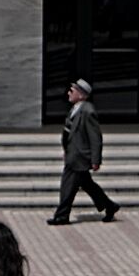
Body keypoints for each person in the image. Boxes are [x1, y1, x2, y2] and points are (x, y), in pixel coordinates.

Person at [50, 77, 117, 225]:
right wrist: (67, 150)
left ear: (81, 95)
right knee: (88, 185)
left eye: (72, 91)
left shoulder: (88, 111)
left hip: (80, 157)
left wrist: (95, 160)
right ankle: (110, 206)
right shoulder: (76, 109)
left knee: (67, 186)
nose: (68, 93)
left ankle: (62, 216)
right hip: (73, 155)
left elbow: (95, 137)